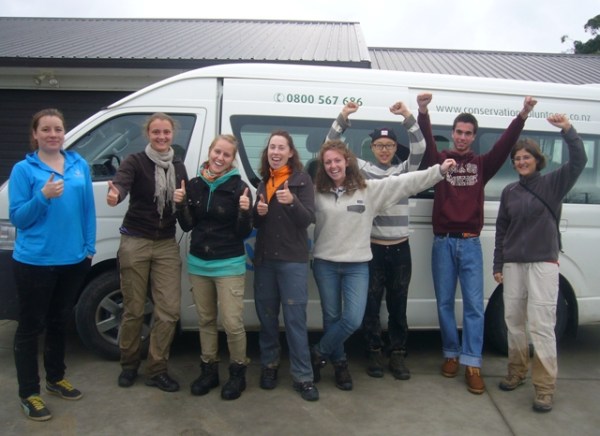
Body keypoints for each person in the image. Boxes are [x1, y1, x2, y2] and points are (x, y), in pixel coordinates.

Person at [311, 139, 455, 391]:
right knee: (331, 317)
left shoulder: (368, 190)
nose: (333, 166)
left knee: (352, 319)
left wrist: (438, 172)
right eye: (328, 162)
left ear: (347, 161)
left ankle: (318, 352)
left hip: (357, 265)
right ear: (323, 166)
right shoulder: (316, 192)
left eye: (337, 160)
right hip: (325, 264)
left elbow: (405, 182)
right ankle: (340, 364)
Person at [417, 93, 537, 394]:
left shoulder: (482, 164)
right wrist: (423, 112)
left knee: (473, 306)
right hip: (442, 243)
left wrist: (522, 115)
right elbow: (427, 144)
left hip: (470, 244)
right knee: (444, 303)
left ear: (473, 137)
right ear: (453, 133)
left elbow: (505, 145)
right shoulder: (441, 161)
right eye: (458, 132)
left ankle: (472, 363)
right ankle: (451, 354)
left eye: (468, 133)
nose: (462, 137)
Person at [493, 114, 586, 413]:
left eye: (526, 157)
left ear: (537, 160)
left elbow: (579, 161)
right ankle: (517, 371)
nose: (521, 162)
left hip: (543, 263)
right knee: (513, 321)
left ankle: (545, 388)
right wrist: (498, 264)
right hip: (513, 264)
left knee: (542, 325)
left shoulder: (553, 184)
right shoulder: (509, 192)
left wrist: (568, 130)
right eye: (517, 159)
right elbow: (502, 229)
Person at [326, 100, 426, 380]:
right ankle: (373, 351)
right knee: (370, 305)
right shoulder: (362, 171)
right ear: (371, 148)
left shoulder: (405, 171)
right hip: (372, 249)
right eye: (379, 145)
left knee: (398, 304)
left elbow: (420, 147)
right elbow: (331, 148)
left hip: (401, 249)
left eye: (389, 145)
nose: (384, 150)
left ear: (395, 148)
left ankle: (397, 353)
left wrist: (407, 116)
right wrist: (343, 117)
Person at [9, 108, 96, 421]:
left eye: (57, 129)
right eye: (45, 129)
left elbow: (87, 209)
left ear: (64, 132)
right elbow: (19, 217)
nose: (52, 134)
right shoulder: (24, 170)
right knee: (30, 327)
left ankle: (56, 378)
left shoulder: (78, 164)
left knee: (59, 322)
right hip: (35, 262)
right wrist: (43, 196)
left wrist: (89, 248)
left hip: (73, 260)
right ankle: (29, 393)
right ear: (35, 134)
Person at [106, 112, 188, 393]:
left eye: (166, 132)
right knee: (133, 309)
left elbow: (186, 212)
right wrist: (115, 194)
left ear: (172, 134)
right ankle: (129, 364)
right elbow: (122, 182)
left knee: (169, 311)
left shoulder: (178, 166)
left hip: (165, 243)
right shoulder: (135, 161)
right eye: (156, 132)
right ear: (148, 134)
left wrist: (183, 202)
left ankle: (156, 369)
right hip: (136, 240)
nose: (162, 137)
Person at [174, 134, 253, 400]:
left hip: (229, 264)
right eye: (217, 152)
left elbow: (243, 232)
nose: (220, 158)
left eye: (226, 154)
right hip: (199, 264)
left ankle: (238, 373)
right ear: (210, 152)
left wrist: (245, 211)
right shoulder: (194, 185)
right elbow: (187, 225)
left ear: (232, 159)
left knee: (232, 323)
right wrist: (180, 204)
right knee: (206, 320)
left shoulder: (239, 187)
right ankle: (208, 371)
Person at [252, 130, 319, 401]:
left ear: (291, 152)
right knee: (267, 318)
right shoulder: (264, 182)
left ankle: (303, 376)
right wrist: (257, 214)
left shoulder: (302, 181)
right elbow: (257, 223)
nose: (276, 152)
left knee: (295, 321)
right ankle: (269, 365)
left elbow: (308, 219)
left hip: (292, 261)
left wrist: (292, 203)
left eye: (281, 147)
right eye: (272, 147)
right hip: (266, 260)